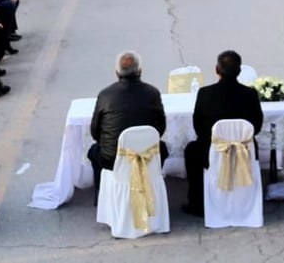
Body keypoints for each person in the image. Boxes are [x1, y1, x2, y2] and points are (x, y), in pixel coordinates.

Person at [181, 50, 264, 217]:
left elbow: (198, 127)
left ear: (217, 70)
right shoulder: (250, 94)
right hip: (244, 150)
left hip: (213, 150)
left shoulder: (205, 94)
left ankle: (197, 202)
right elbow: (257, 126)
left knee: (191, 150)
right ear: (239, 71)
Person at [88, 51, 166, 192]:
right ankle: (151, 186)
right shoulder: (153, 93)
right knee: (163, 149)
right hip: (146, 156)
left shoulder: (105, 95)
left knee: (94, 151)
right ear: (140, 71)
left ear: (117, 72)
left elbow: (95, 132)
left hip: (113, 159)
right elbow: (160, 128)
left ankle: (102, 198)